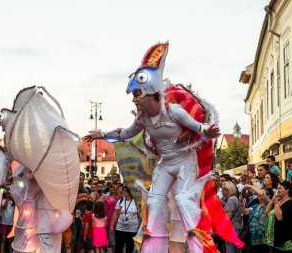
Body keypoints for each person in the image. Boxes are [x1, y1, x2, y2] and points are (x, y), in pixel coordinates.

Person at [85, 42, 220, 253]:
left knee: (183, 201)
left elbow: (198, 127)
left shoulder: (173, 112)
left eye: (136, 94)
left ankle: (198, 248)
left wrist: (207, 131)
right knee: (155, 202)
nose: (134, 100)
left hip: (184, 161)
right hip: (165, 163)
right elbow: (127, 133)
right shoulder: (143, 117)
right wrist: (103, 134)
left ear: (150, 93)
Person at [265, 181, 292, 253]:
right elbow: (266, 213)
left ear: (287, 190)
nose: (277, 190)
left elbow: (279, 217)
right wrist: (272, 201)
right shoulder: (277, 201)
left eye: (280, 188)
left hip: (284, 239)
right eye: (277, 188)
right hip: (274, 238)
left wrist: (276, 203)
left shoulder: (290, 204)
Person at [240, 187, 273, 253]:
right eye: (258, 195)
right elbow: (245, 211)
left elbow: (263, 195)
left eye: (261, 194)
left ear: (268, 196)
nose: (259, 196)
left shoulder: (269, 205)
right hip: (253, 237)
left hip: (263, 238)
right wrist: (241, 203)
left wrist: (250, 186)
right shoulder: (256, 206)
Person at [110, 186, 140, 253]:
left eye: (125, 190)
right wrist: (112, 225)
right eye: (123, 190)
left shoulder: (136, 201)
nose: (123, 191)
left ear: (130, 192)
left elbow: (139, 216)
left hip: (132, 229)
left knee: (130, 248)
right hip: (120, 228)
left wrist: (140, 228)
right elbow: (115, 214)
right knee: (118, 248)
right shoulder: (120, 201)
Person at [222, 181, 242, 253]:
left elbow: (228, 216)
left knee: (230, 250)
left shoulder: (231, 199)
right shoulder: (234, 198)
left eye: (224, 189)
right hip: (236, 226)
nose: (222, 191)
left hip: (232, 228)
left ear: (229, 190)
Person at [104, 183, 119, 252]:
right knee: (110, 239)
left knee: (117, 239)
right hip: (108, 220)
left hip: (118, 220)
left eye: (115, 188)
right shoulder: (106, 198)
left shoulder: (119, 198)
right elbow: (104, 210)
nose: (113, 189)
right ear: (110, 188)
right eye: (112, 187)